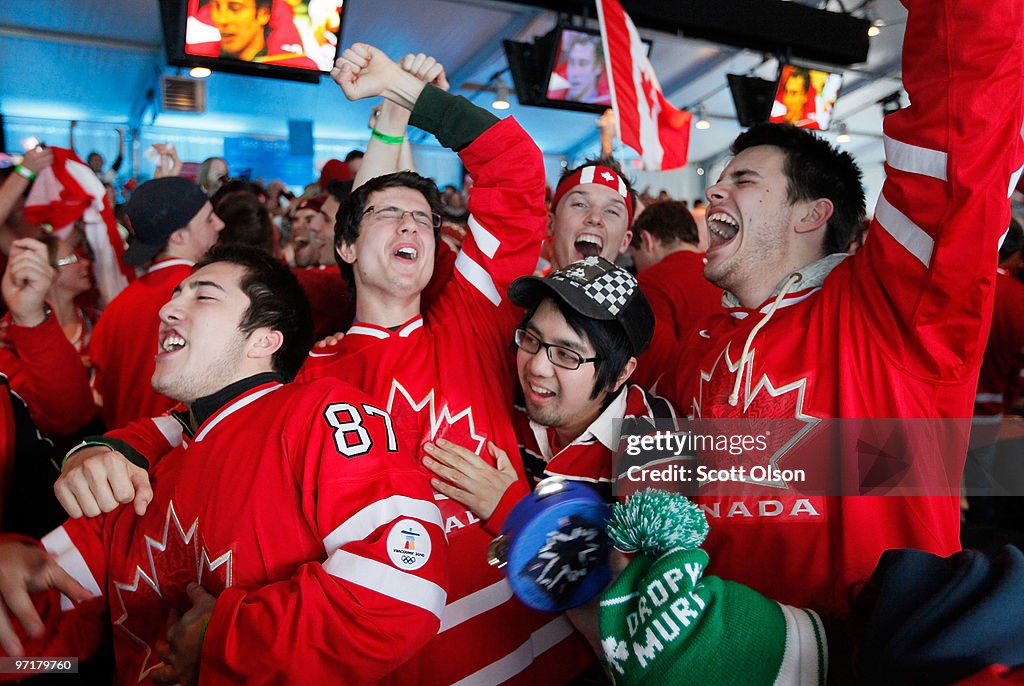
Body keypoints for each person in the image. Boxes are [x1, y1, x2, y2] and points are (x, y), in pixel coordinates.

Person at [55, 43, 594, 685]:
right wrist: (99, 450)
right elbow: (194, 421)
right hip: (407, 663)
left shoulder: (472, 317)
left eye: (424, 219)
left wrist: (407, 96)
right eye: (390, 215)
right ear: (345, 244)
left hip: (546, 657)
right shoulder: (303, 376)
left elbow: (516, 170)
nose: (412, 227)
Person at [658, 0, 1024, 621]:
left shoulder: (889, 310)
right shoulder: (697, 346)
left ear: (811, 214)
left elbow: (961, 134)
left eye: (743, 179)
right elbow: (649, 497)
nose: (715, 189)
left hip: (864, 662)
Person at [0, 245, 447, 684]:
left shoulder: (321, 413)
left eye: (203, 294)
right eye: (175, 294)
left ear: (264, 339)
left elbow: (400, 591)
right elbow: (35, 641)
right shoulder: (139, 469)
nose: (167, 310)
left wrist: (224, 635)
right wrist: (13, 564)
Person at [423, 256, 677, 523]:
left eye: (567, 355)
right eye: (532, 339)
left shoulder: (658, 439)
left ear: (620, 373)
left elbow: (641, 564)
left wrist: (514, 511)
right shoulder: (509, 394)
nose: (537, 367)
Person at [89, 177, 224, 429]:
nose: (220, 224)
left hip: (122, 453)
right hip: (179, 450)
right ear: (179, 236)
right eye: (208, 218)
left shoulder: (118, 306)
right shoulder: (210, 298)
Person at [964, 218, 1024, 524]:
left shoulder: (958, 286)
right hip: (988, 412)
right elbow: (1020, 371)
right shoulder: (1018, 299)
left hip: (936, 414)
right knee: (979, 491)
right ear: (1014, 254)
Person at [627, 200, 722, 390]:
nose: (637, 265)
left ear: (647, 240)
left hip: (682, 407)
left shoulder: (650, 283)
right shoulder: (727, 275)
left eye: (635, 256)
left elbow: (652, 371)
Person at [547, 157, 637, 270]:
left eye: (611, 211)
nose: (595, 218)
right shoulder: (521, 286)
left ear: (625, 241)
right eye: (580, 204)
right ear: (550, 223)